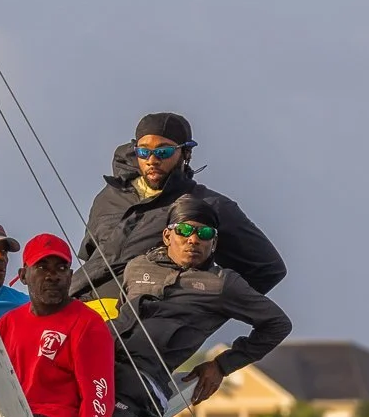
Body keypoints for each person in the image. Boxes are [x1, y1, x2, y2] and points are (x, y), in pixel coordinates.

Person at [68, 195, 292, 417]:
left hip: (138, 388)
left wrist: (222, 364)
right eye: (185, 230)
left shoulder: (223, 284)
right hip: (93, 369)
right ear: (167, 235)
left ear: (214, 242)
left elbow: (277, 324)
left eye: (203, 234)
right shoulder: (138, 267)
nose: (193, 239)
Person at [71, 112, 286, 305]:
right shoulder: (108, 197)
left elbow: (267, 269)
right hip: (83, 313)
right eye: (144, 152)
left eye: (163, 152)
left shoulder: (209, 204)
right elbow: (90, 257)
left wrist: (204, 311)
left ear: (186, 154)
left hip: (146, 328)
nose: (152, 160)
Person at [0, 233, 114, 417]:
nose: (53, 275)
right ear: (24, 274)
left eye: (61, 268)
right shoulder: (8, 323)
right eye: (42, 267)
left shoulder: (88, 325)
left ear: (70, 276)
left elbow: (99, 405)